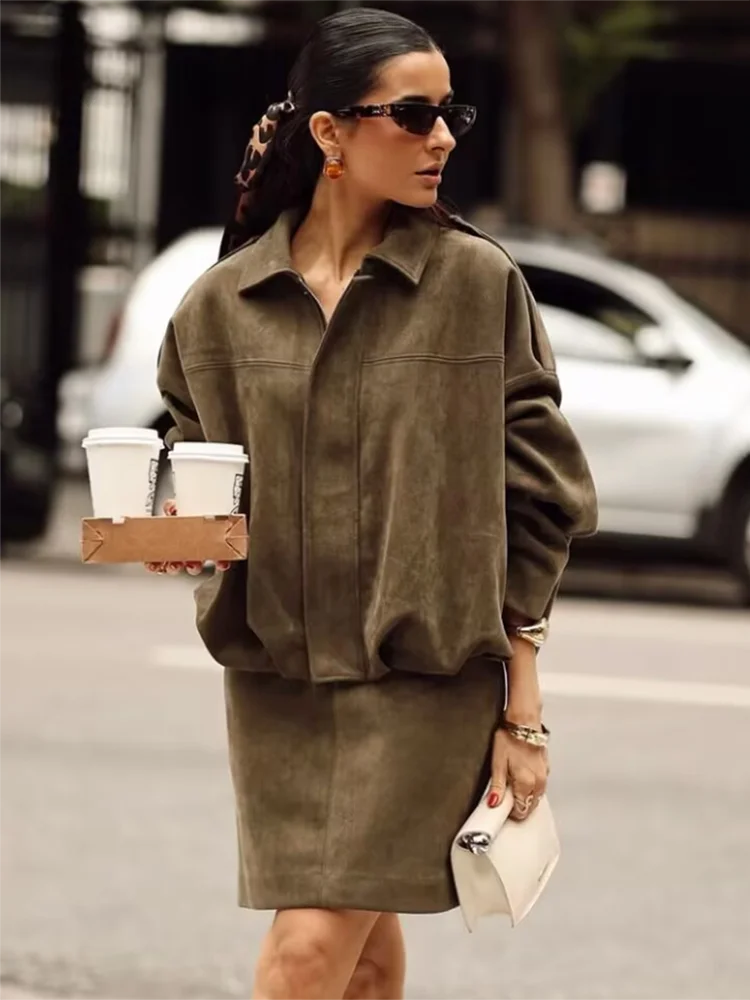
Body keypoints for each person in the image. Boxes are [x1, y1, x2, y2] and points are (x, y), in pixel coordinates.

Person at [150, 7, 598, 1000]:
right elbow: (198, 474)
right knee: (358, 961)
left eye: (450, 114)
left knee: (306, 953)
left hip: (423, 682)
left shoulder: (477, 285)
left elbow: (544, 497)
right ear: (329, 133)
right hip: (280, 684)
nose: (442, 139)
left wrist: (522, 706)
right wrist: (186, 534)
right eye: (413, 114)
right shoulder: (218, 309)